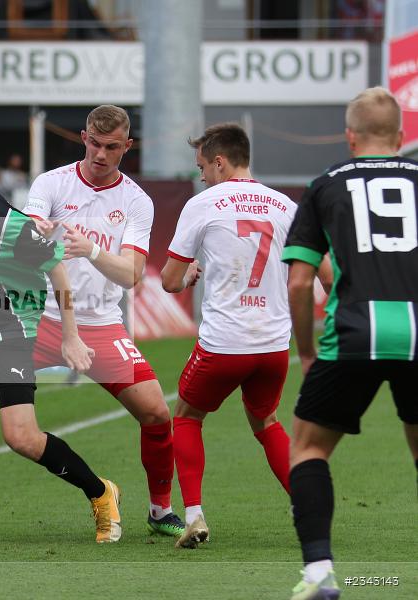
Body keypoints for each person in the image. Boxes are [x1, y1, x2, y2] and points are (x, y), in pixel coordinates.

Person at [0, 107, 184, 541]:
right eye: (94, 144)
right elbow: (28, 228)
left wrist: (91, 251)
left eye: (111, 147)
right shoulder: (52, 183)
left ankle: (160, 510)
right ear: (83, 138)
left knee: (156, 411)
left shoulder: (136, 201)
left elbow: (133, 274)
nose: (100, 154)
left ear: (126, 147)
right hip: (37, 318)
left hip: (101, 324)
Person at [283, 87, 418, 599]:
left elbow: (299, 283)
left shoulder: (325, 185)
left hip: (354, 334)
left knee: (309, 448)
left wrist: (307, 353)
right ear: (402, 138)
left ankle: (319, 575)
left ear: (350, 136)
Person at [161, 123, 298, 549]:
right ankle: (310, 506)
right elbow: (321, 273)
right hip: (274, 345)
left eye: (202, 165)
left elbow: (168, 280)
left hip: (225, 343)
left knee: (185, 415)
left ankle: (195, 515)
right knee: (266, 420)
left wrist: (189, 277)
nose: (200, 174)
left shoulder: (203, 204)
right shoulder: (285, 204)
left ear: (220, 162)